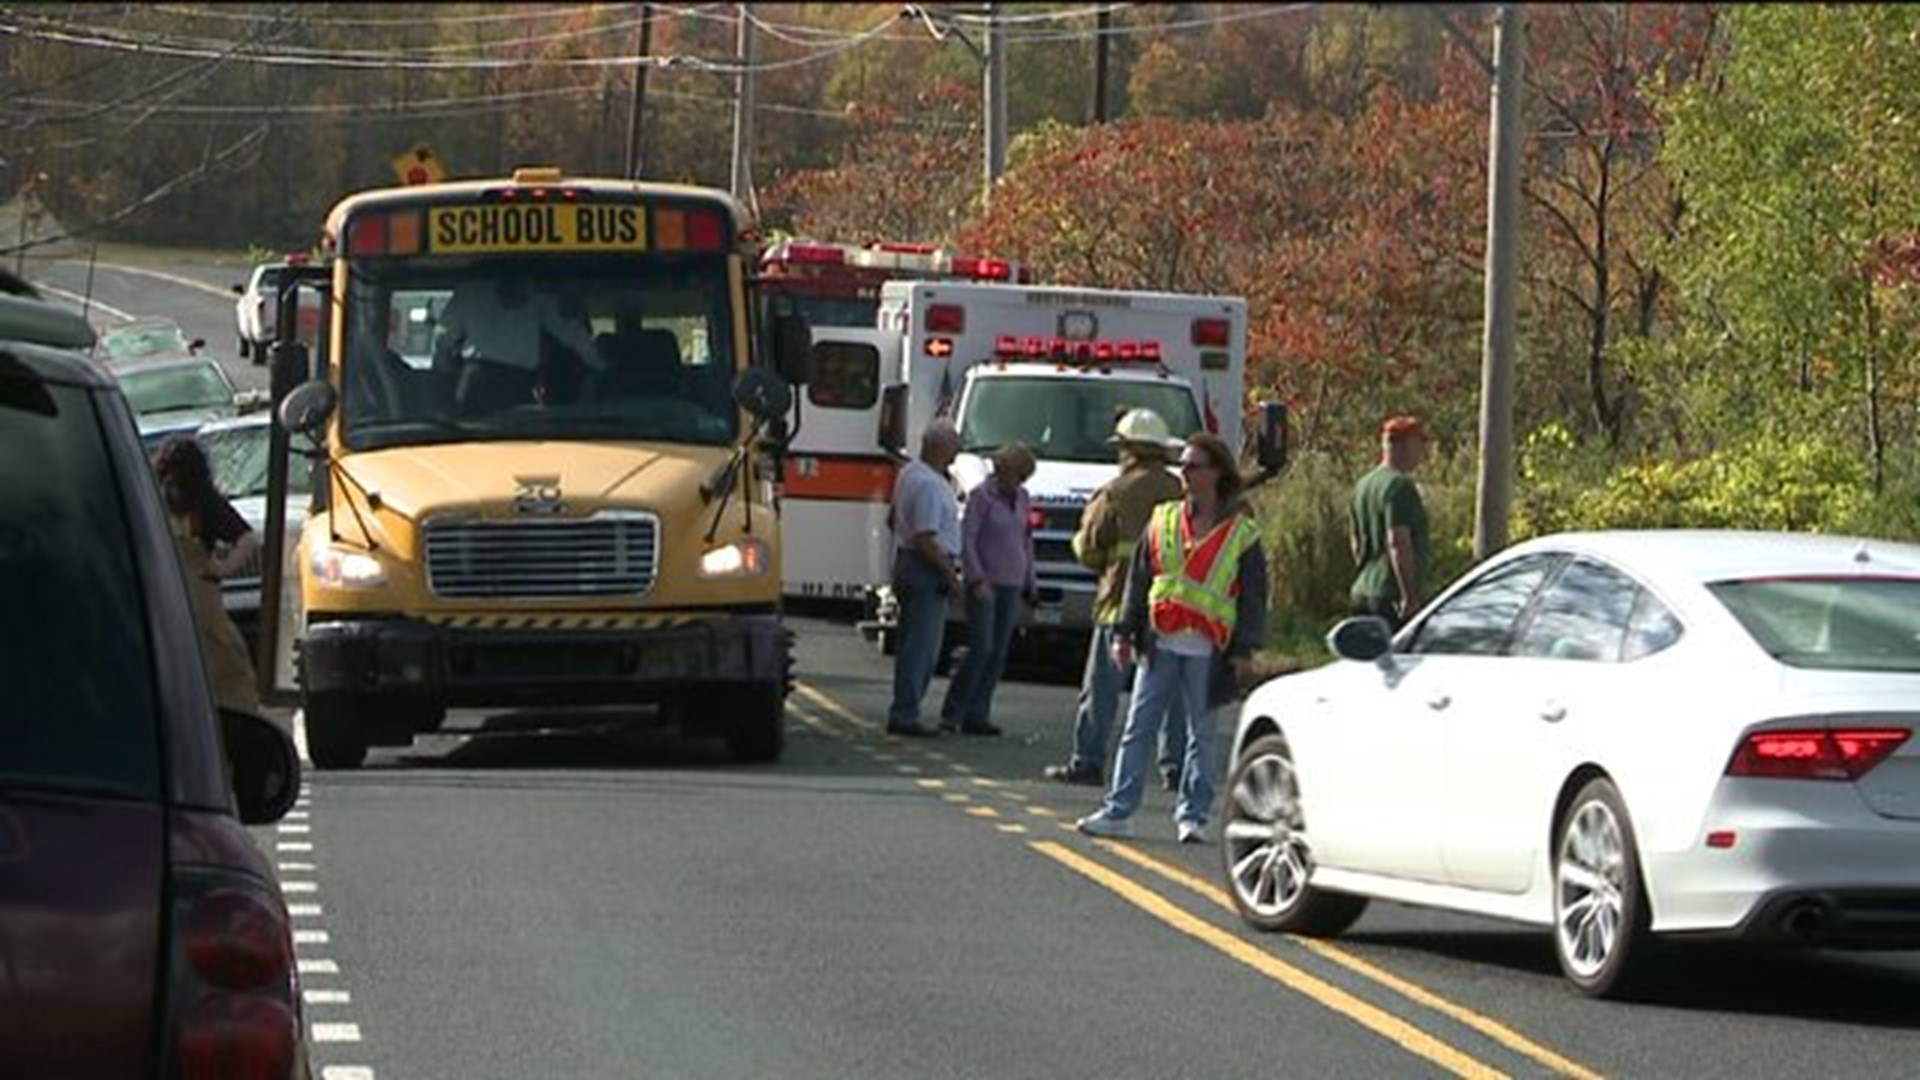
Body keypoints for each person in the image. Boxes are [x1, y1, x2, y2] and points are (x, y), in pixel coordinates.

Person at [1076, 432, 1268, 844]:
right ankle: (1119, 811)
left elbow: (1253, 595)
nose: (1185, 472)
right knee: (1137, 728)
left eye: (1194, 466)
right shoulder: (1162, 519)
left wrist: (1245, 649)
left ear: (1216, 473)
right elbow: (1138, 581)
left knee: (1201, 736)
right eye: (1183, 464)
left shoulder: (1241, 532)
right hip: (1160, 644)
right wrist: (1125, 633)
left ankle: (1193, 817)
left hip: (1208, 649)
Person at [1043, 409, 1191, 789]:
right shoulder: (1182, 492)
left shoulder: (1115, 492)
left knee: (1103, 690)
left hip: (1118, 604)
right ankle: (1175, 769)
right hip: (1174, 607)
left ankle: (1087, 762)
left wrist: (1095, 556)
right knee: (1171, 695)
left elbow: (1089, 549)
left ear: (1128, 450)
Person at [153, 435, 262, 714]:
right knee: (227, 665)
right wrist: (220, 570)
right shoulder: (206, 501)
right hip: (203, 600)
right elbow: (248, 540)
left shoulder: (150, 501)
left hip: (161, 593)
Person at [939, 442, 1038, 737]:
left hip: (1012, 580)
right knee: (982, 647)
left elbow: (1025, 541)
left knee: (998, 652)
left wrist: (1031, 582)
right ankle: (953, 710)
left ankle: (977, 714)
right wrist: (976, 578)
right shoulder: (981, 497)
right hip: (985, 582)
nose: (1019, 482)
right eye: (1017, 475)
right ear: (1003, 471)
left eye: (1023, 477)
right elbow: (968, 539)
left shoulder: (1022, 498)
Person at [886, 420, 964, 737]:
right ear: (939, 447)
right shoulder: (930, 484)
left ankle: (904, 710)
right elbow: (925, 537)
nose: (958, 450)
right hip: (925, 568)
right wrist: (950, 574)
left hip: (907, 562)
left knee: (911, 644)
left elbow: (893, 519)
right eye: (954, 444)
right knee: (922, 648)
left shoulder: (909, 473)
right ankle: (905, 714)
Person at [434, 276, 602, 413]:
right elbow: (568, 331)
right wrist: (599, 364)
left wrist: (443, 368)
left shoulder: (471, 288)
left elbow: (443, 336)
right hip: (516, 383)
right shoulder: (535, 289)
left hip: (479, 381)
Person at [1349, 415, 1431, 629]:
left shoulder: (1363, 485)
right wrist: (1409, 596)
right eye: (1419, 443)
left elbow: (1356, 542)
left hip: (1363, 590)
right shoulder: (1399, 486)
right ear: (1404, 445)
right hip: (1390, 595)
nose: (1422, 452)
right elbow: (1398, 543)